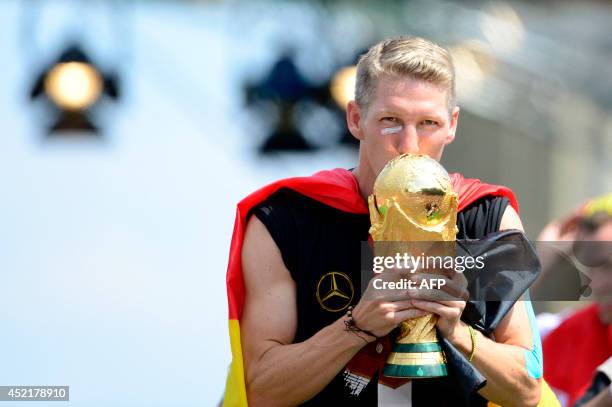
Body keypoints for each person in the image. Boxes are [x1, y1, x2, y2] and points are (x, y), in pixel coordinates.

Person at [223, 37, 543, 406]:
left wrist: (457, 332)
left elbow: (527, 390)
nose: (409, 144)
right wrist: (356, 327)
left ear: (452, 125)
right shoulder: (284, 219)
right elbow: (262, 390)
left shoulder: (488, 216)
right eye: (391, 121)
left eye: (428, 123)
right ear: (356, 119)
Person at [539, 194, 612, 407]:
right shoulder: (560, 332)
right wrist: (542, 258)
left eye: (610, 267)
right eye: (591, 265)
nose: (597, 285)